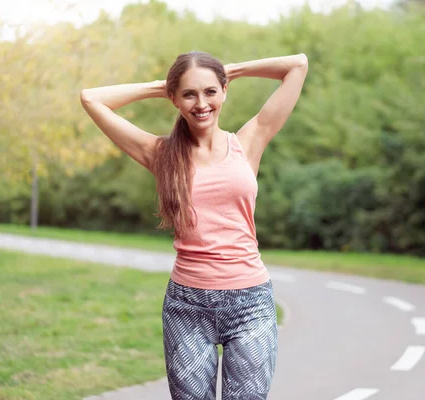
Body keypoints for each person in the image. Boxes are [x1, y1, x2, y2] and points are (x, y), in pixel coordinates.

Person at [80, 51, 308, 399]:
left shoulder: (248, 142)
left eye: (210, 92)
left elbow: (298, 65)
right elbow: (92, 99)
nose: (201, 103)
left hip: (250, 304)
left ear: (223, 91)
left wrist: (230, 70)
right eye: (189, 94)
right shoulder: (160, 154)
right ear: (175, 99)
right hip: (187, 308)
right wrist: (163, 87)